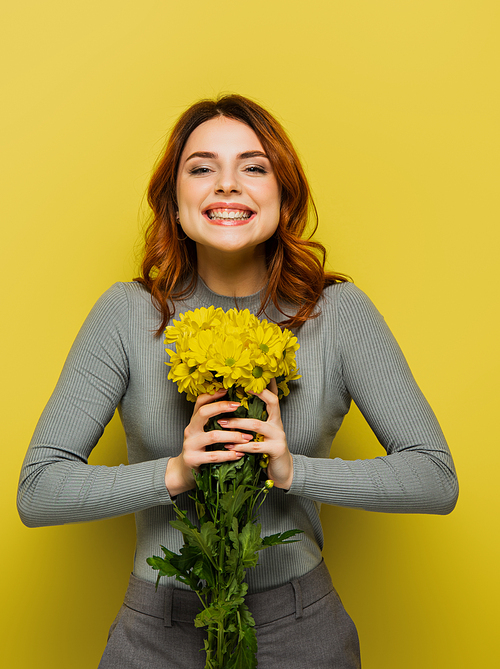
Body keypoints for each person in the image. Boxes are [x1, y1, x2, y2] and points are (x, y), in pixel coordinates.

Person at [18, 94, 458, 668]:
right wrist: (176, 473)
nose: (228, 185)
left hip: (302, 634)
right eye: (202, 168)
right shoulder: (126, 315)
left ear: (284, 195)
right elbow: (38, 491)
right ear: (175, 203)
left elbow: (436, 479)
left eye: (254, 167)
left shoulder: (337, 314)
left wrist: (292, 469)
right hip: (157, 636)